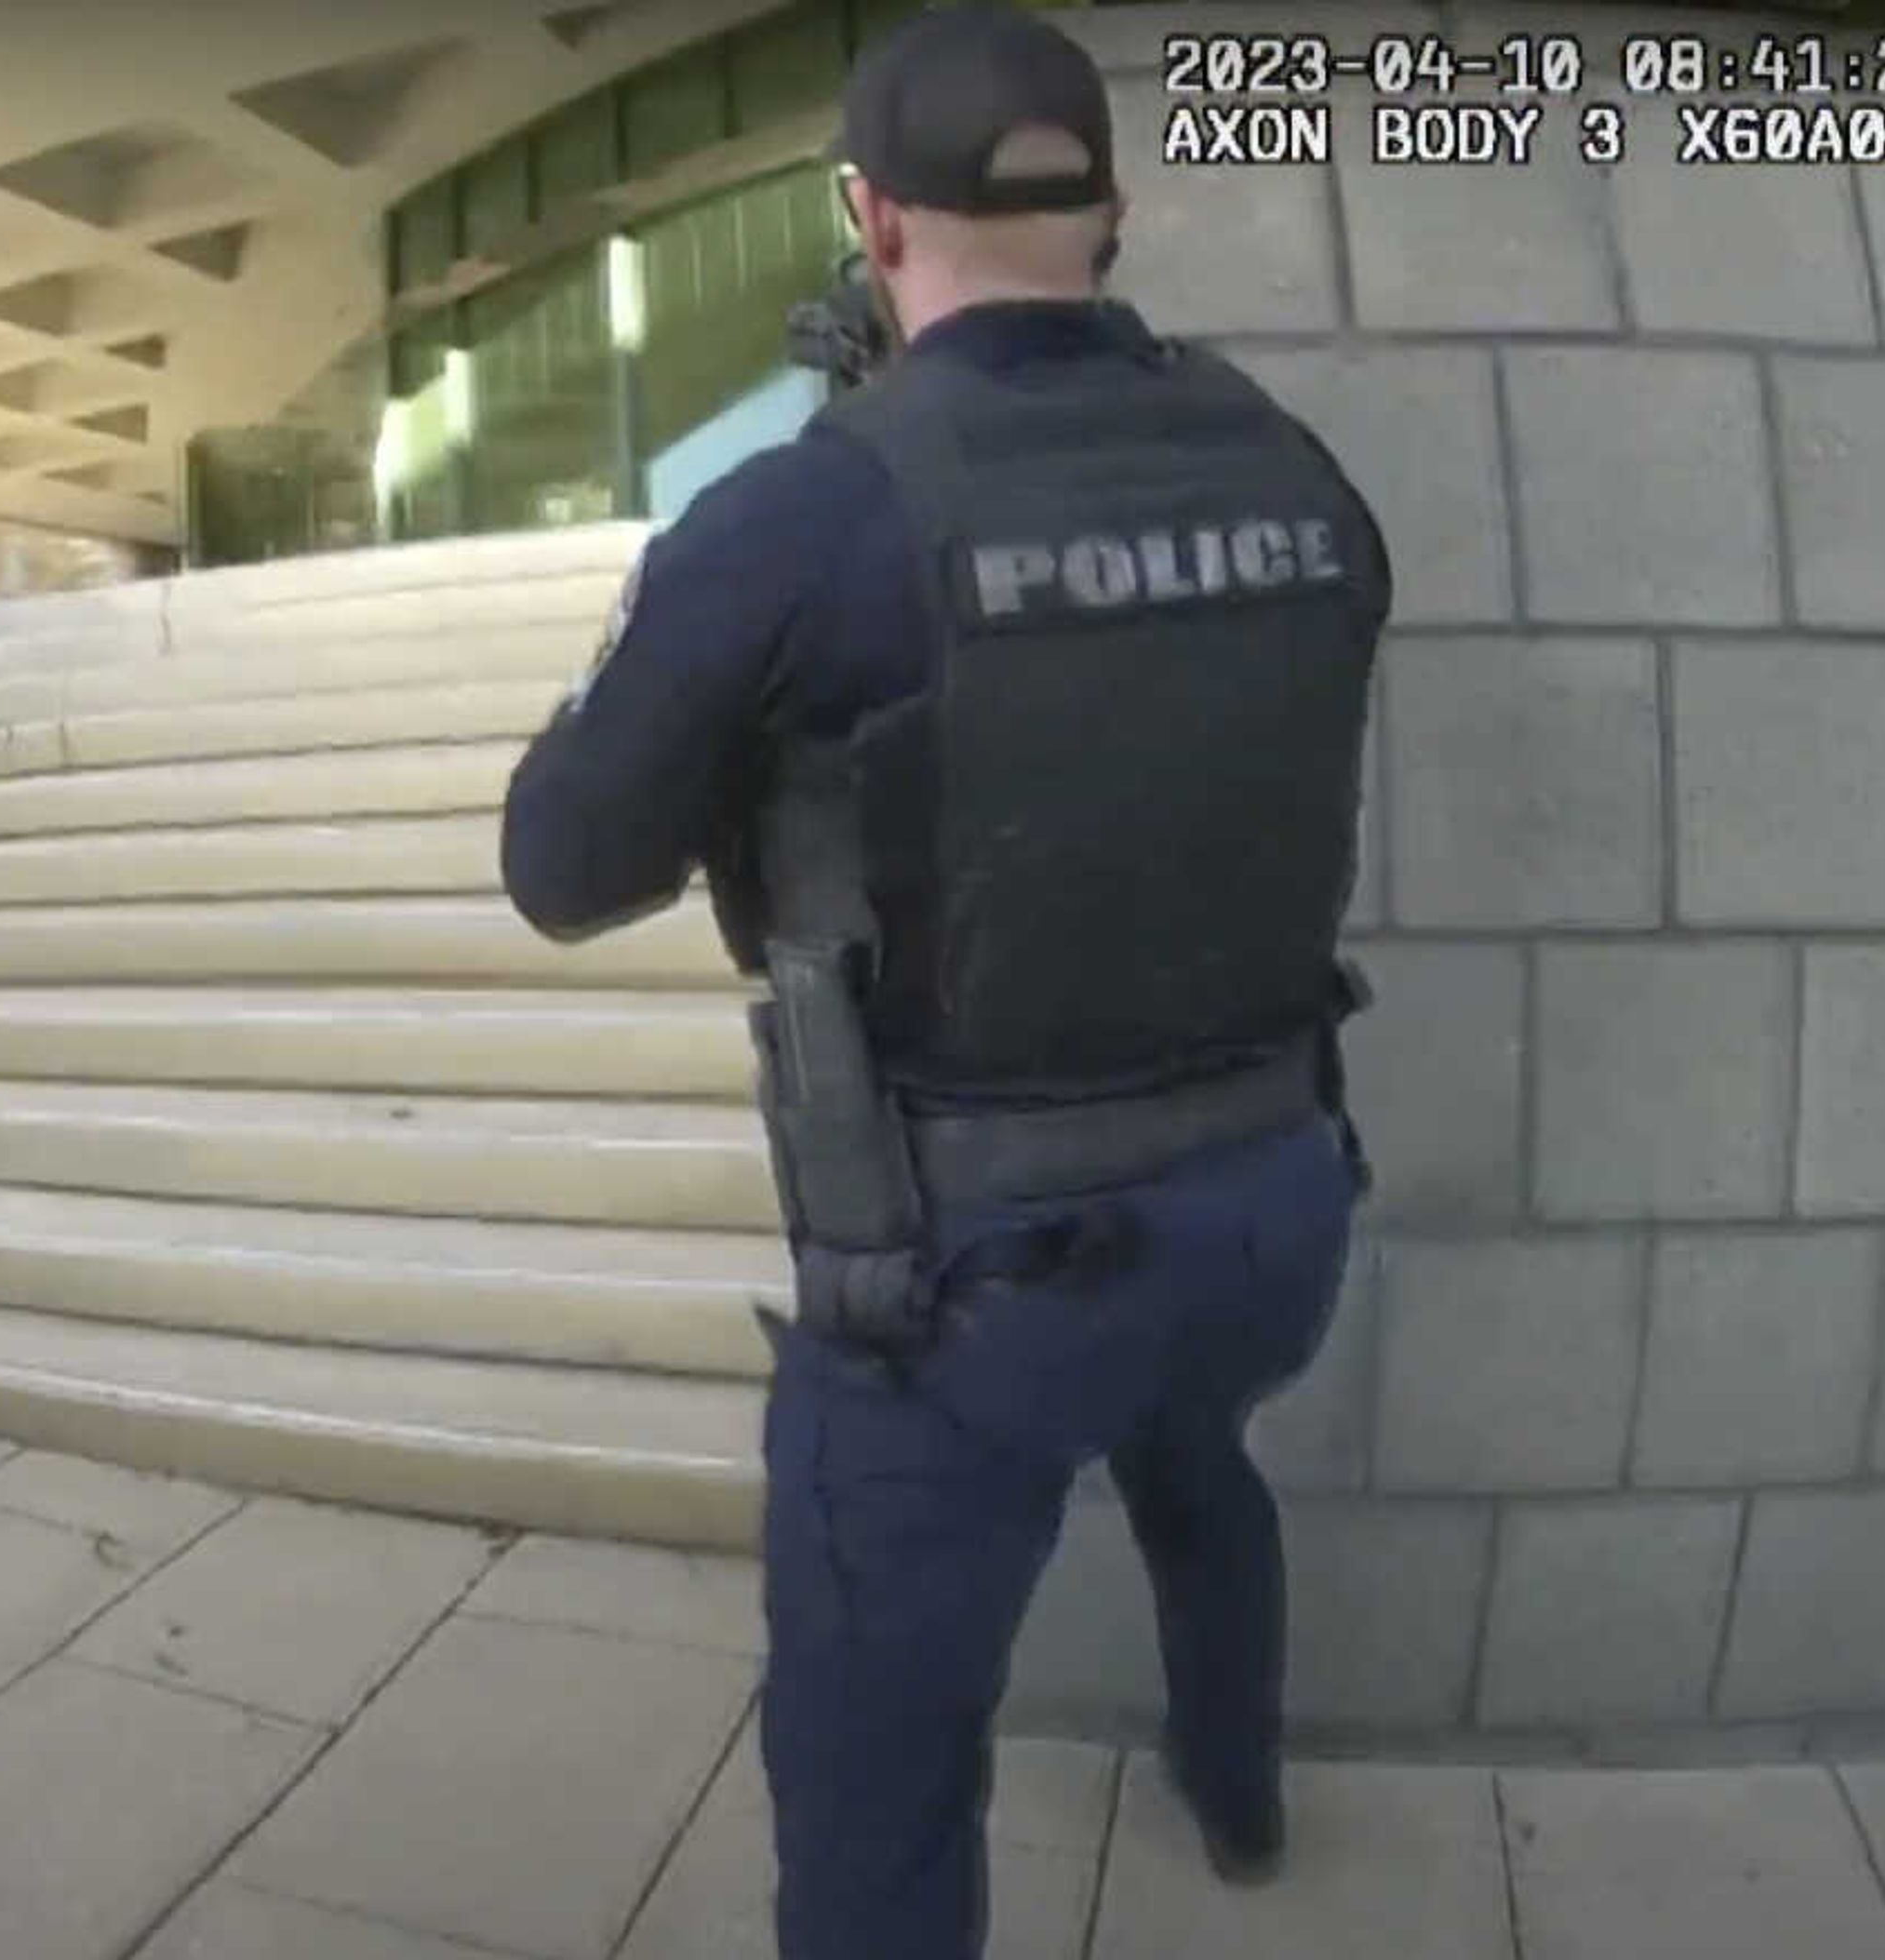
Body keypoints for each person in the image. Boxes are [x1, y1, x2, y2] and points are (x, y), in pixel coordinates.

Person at [497, 8, 1390, 1956]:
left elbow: (560, 867)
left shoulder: (814, 510)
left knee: (881, 1773)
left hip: (971, 1281)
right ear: (1113, 212)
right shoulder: (1295, 462)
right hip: (1272, 1206)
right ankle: (1238, 1803)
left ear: (866, 217)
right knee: (1199, 1468)